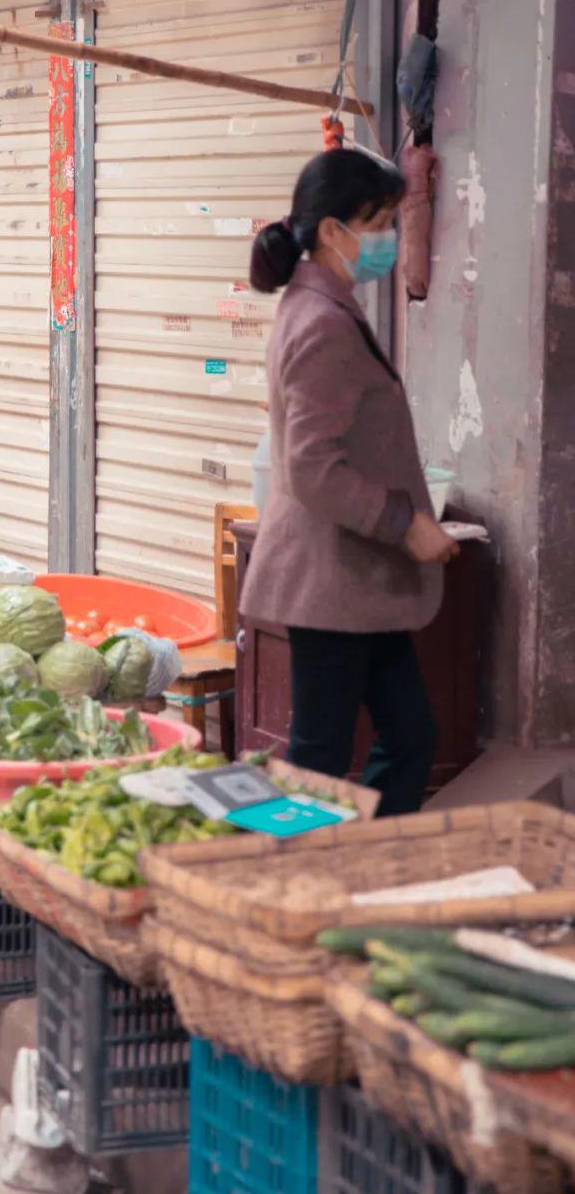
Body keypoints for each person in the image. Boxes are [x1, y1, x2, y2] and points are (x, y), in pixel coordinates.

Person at [239, 147, 457, 816]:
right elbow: (309, 467)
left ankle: (364, 862)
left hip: (357, 581)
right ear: (334, 232)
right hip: (329, 581)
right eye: (380, 222)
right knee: (319, 757)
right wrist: (404, 522)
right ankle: (278, 886)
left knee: (409, 736)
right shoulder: (322, 322)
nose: (389, 238)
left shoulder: (325, 306)